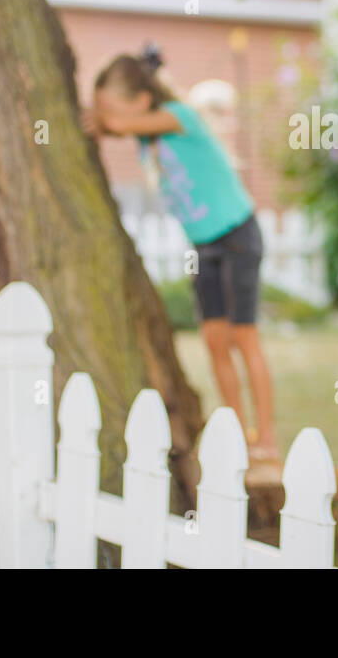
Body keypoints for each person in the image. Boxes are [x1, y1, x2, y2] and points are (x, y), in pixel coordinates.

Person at [82, 51, 280, 464]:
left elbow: (115, 125)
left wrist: (101, 118)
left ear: (139, 101)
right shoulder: (144, 133)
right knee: (214, 340)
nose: (107, 115)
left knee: (244, 338)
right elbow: (116, 127)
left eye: (112, 105)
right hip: (204, 245)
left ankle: (267, 437)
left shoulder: (179, 116)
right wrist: (102, 119)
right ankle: (237, 431)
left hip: (237, 235)